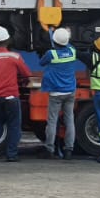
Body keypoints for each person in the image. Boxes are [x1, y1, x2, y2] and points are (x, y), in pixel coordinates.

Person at [0, 26, 33, 162]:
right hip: (11, 96)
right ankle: (11, 154)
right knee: (14, 125)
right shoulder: (14, 57)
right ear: (8, 40)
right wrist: (24, 82)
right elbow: (27, 74)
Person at [39, 27, 83, 159]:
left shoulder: (51, 54)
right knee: (69, 120)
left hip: (56, 93)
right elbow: (67, 45)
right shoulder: (72, 51)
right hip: (70, 91)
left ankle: (49, 149)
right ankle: (69, 149)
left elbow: (41, 63)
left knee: (52, 121)